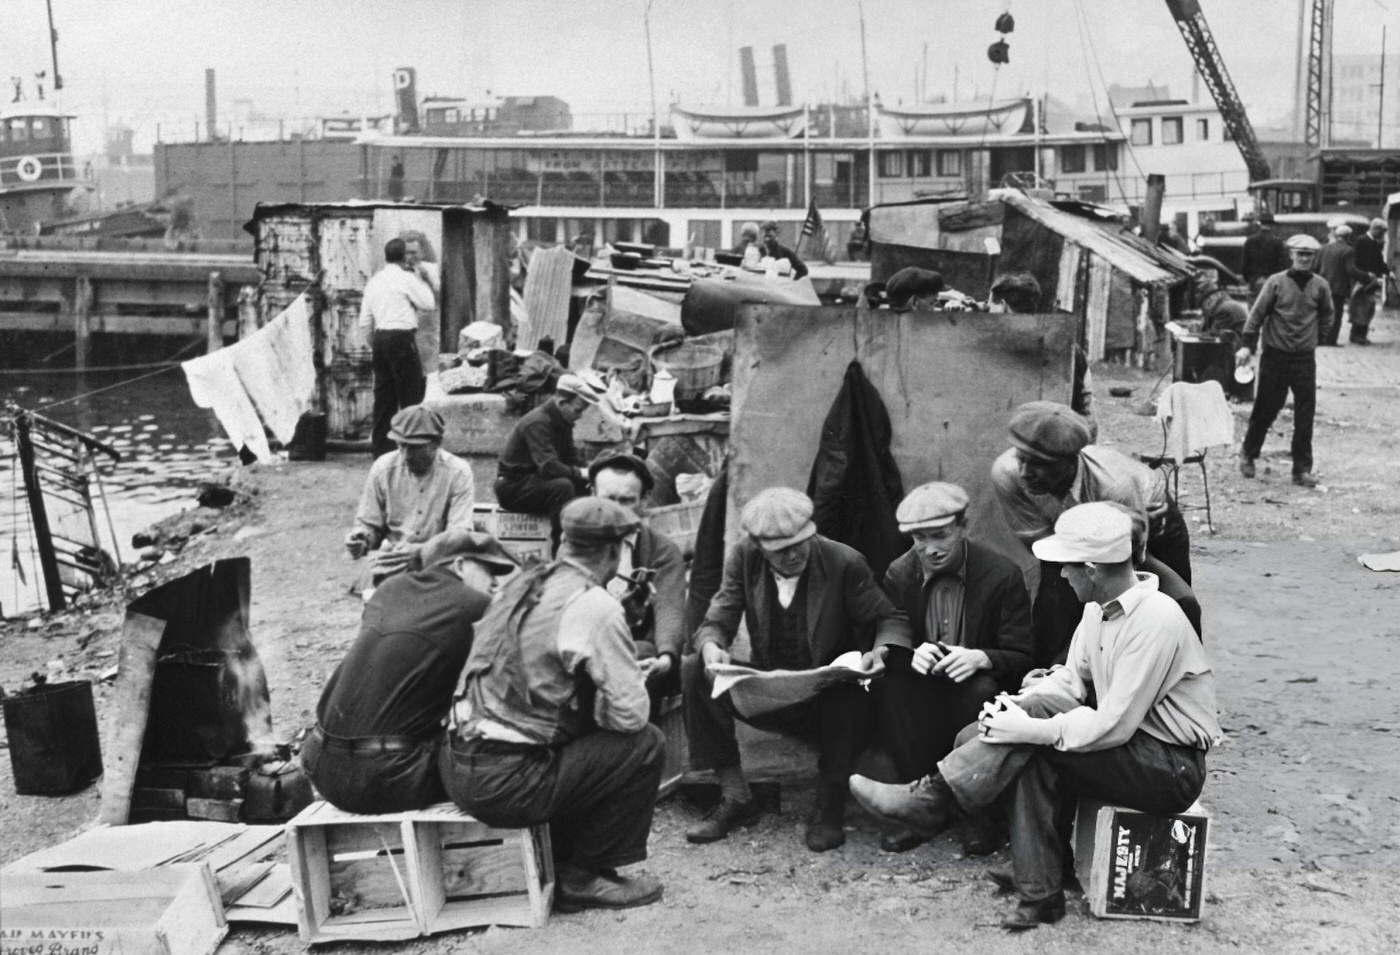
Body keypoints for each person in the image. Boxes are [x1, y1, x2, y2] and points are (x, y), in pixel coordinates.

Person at [850, 502, 1220, 932]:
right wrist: (1020, 705)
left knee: (1033, 745)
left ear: (1091, 569)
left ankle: (934, 801)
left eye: (1067, 568)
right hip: (1136, 747)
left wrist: (1028, 728)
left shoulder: (1155, 619)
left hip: (1170, 765)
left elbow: (1113, 725)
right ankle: (1039, 890)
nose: (1061, 577)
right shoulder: (1099, 609)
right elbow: (1071, 681)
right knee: (1014, 735)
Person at [439, 498, 666, 913]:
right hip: (506, 785)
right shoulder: (595, 605)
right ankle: (582, 876)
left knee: (573, 728)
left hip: (455, 763)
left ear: (564, 541)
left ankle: (566, 853)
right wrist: (621, 682)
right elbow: (630, 716)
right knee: (644, 742)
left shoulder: (521, 583)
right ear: (616, 552)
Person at [682, 487, 910, 852]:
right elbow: (717, 618)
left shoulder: (843, 561)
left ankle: (830, 803)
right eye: (781, 550)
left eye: (800, 543)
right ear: (758, 544)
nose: (793, 555)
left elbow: (888, 618)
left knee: (847, 695)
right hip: (772, 692)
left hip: (830, 697)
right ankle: (736, 795)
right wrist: (712, 647)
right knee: (694, 669)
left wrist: (879, 652)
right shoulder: (743, 558)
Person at [301, 529, 517, 814]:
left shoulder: (389, 589)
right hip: (390, 777)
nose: (494, 584)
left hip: (320, 764)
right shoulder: (476, 605)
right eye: (489, 571)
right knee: (506, 761)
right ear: (460, 565)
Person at [872, 482, 1033, 853]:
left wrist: (982, 657)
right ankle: (918, 805)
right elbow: (890, 627)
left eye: (941, 536)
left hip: (976, 688)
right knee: (890, 689)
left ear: (963, 527)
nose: (930, 549)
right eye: (919, 538)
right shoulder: (900, 573)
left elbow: (1023, 654)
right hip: (923, 685)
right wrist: (910, 652)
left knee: (981, 690)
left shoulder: (1001, 575)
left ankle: (972, 809)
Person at [989, 400, 1191, 667]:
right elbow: (1045, 548)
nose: (1025, 473)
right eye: (1021, 459)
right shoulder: (1008, 474)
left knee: (1164, 612)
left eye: (1039, 464)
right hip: (1067, 536)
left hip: (1149, 526)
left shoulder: (1115, 486)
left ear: (1069, 462)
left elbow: (1127, 566)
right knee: (1054, 613)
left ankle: (1173, 680)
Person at [588, 452, 686, 709]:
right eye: (609, 499)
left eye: (627, 500)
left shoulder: (661, 550)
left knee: (643, 654)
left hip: (635, 649)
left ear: (643, 501)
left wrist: (666, 656)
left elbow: (669, 607)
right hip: (585, 644)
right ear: (592, 495)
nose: (617, 509)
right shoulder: (577, 543)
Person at [1237, 233, 1333, 488]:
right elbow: (1256, 315)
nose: (1304, 259)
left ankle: (1301, 469)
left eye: (1309, 255)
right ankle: (1248, 453)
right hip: (1275, 357)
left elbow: (1327, 316)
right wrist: (1247, 346)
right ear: (1291, 255)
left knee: (1305, 413)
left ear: (1314, 258)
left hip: (1304, 360)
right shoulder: (1275, 283)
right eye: (1299, 254)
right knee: (1266, 408)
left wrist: (1316, 338)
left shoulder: (1320, 286)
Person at [346, 406, 476, 582]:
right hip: (391, 562)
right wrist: (361, 539)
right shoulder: (382, 468)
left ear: (436, 444)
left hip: (438, 563)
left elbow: (459, 536)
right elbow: (369, 523)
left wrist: (421, 550)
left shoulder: (458, 472)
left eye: (415, 447)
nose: (406, 455)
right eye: (401, 445)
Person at [989, 271, 1098, 439]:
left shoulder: (992, 346)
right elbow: (1087, 407)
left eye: (990, 304)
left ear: (1002, 305)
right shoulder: (1070, 348)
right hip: (1060, 440)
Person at [360, 237, 437, 457]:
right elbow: (429, 304)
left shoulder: (374, 281)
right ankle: (413, 447)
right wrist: (421, 279)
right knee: (410, 396)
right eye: (409, 254)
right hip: (401, 338)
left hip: (380, 337)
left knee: (384, 398)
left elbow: (365, 321)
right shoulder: (406, 278)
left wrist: (375, 344)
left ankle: (381, 452)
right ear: (404, 257)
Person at [494, 372, 604, 523]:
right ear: (562, 403)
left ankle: (584, 530)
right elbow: (549, 467)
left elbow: (570, 457)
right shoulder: (537, 423)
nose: (580, 416)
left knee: (585, 485)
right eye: (578, 410)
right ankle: (560, 543)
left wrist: (594, 470)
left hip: (533, 481)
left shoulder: (562, 421)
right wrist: (582, 472)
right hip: (513, 488)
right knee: (562, 487)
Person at [1313, 224, 1363, 347]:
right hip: (1338, 288)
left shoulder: (1324, 248)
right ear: (1348, 237)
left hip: (1322, 286)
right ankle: (1330, 340)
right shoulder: (1348, 250)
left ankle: (1319, 338)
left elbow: (1315, 267)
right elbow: (1350, 270)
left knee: (1321, 312)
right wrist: (1366, 276)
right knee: (1336, 314)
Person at [1349, 217, 1391, 345]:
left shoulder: (1373, 242)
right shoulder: (1361, 241)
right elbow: (1355, 261)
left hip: (1370, 281)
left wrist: (1388, 272)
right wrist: (1362, 276)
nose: (1383, 234)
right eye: (1382, 231)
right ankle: (1357, 335)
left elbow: (1379, 261)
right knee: (1361, 308)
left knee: (1367, 308)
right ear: (1375, 229)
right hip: (1363, 280)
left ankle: (1360, 334)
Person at [1240, 212, 1289, 295]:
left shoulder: (1250, 241)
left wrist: (1250, 280)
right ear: (1271, 225)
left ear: (1260, 224)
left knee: (1255, 306)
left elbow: (1244, 265)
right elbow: (1283, 265)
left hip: (1254, 283)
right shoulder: (1277, 242)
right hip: (1272, 283)